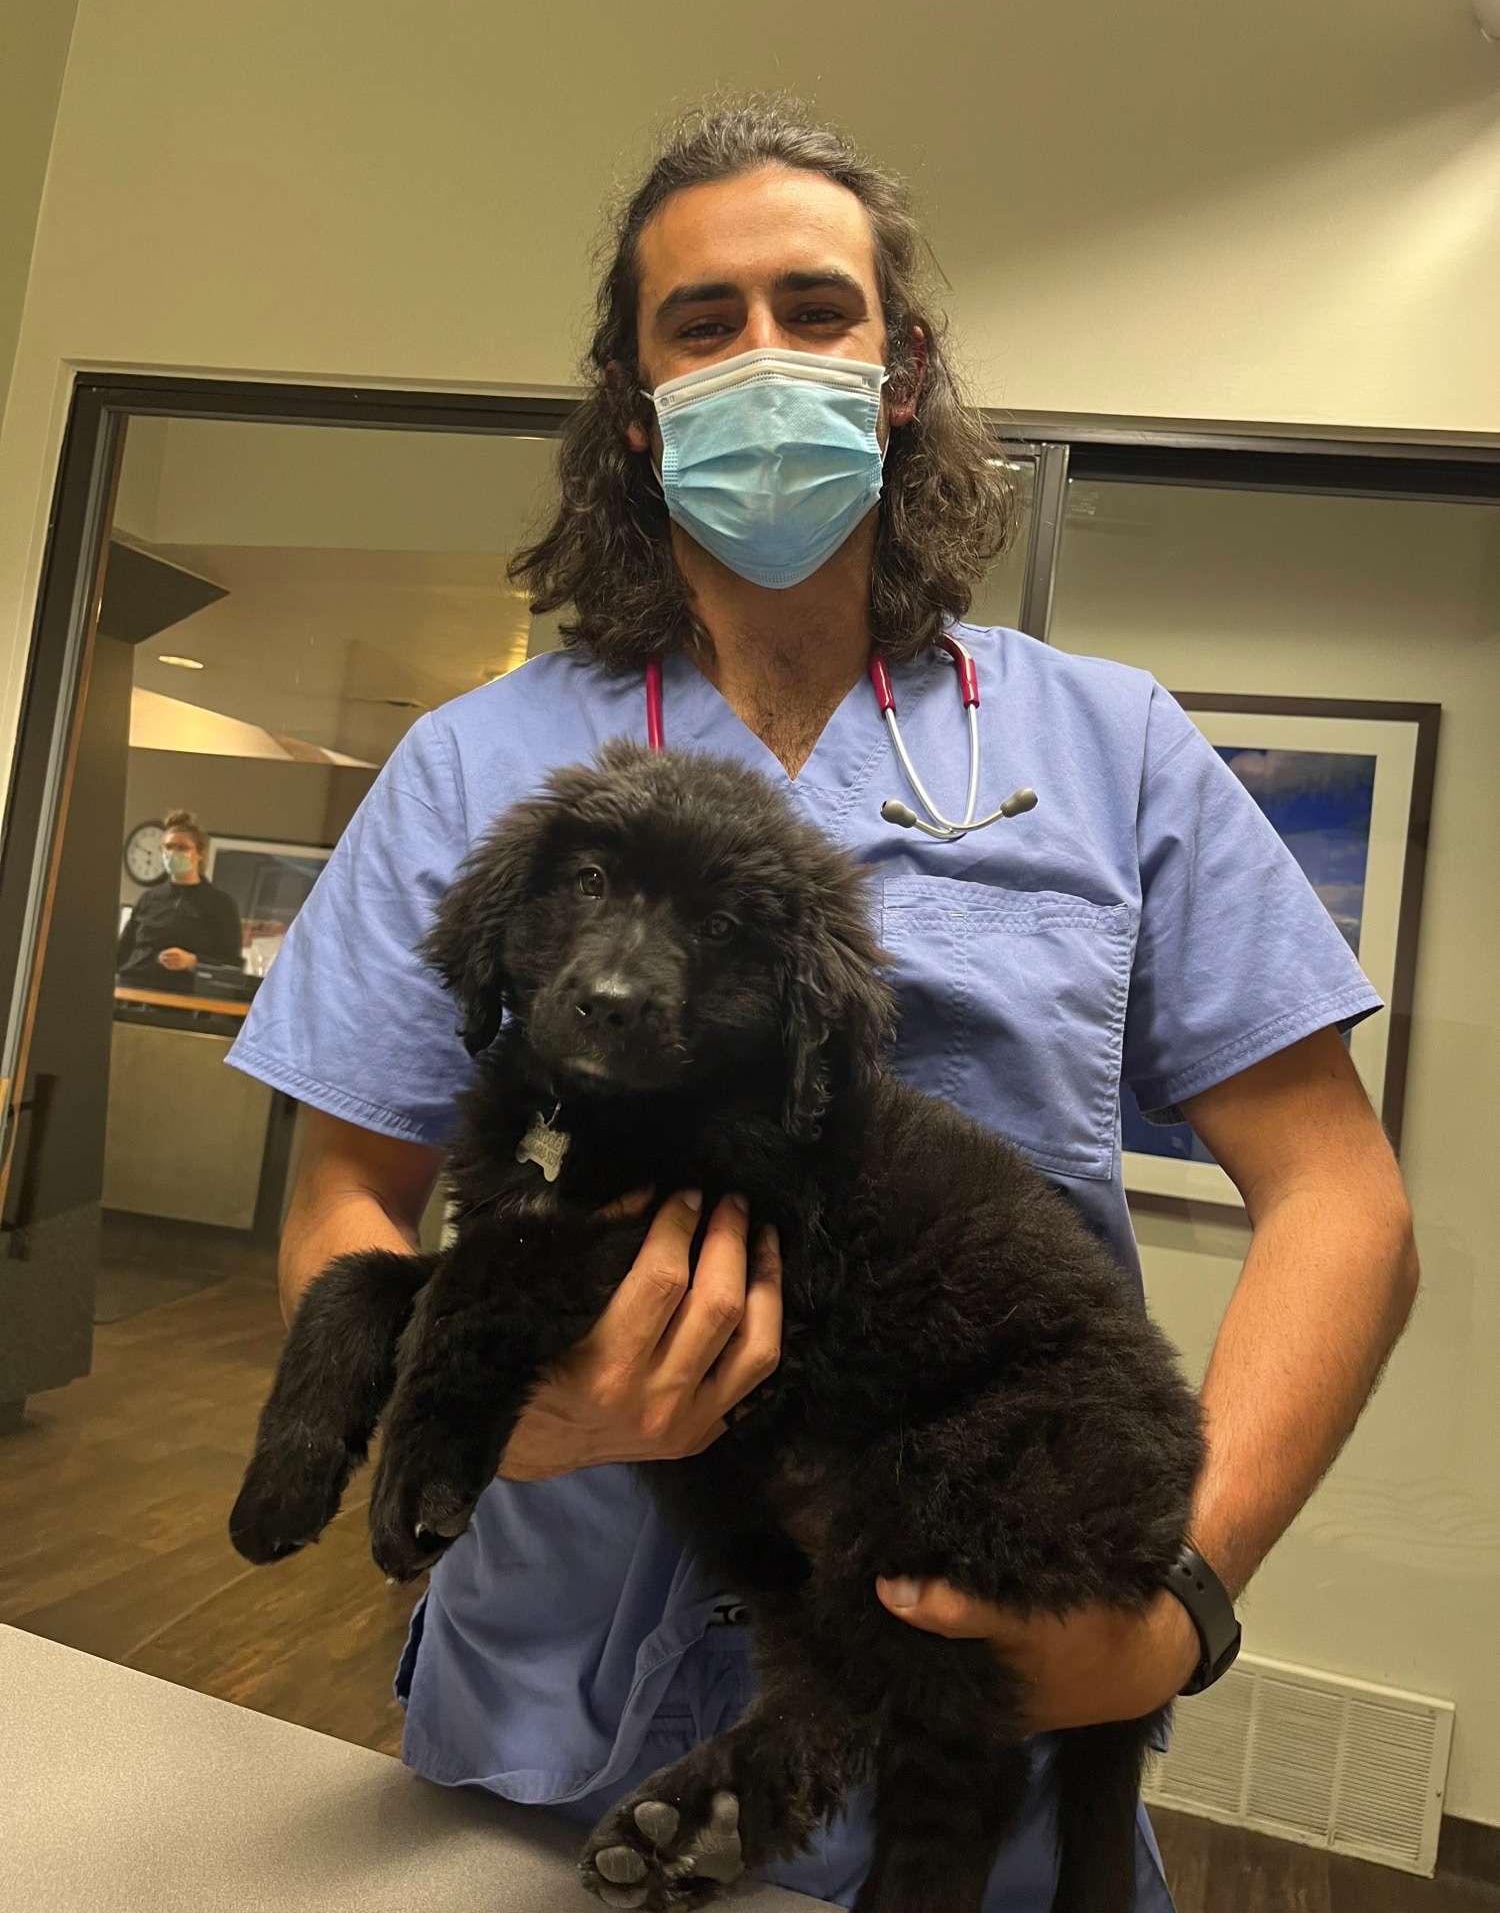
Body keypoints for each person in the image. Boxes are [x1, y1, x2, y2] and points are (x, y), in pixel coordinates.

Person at [225, 101, 1418, 1910]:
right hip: (541, 1742)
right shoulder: (480, 767)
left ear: (903, 370)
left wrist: (1181, 1598)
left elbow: (1345, 1202)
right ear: (636, 408)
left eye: (816, 309)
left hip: (970, 1716)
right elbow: (348, 1195)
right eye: (703, 326)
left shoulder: (1112, 749)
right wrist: (485, 1412)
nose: (762, 360)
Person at [117, 808, 244, 992]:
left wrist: (193, 962)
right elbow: (122, 952)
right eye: (168, 847)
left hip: (183, 1001)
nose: (174, 853)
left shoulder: (220, 904)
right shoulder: (149, 898)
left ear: (199, 853)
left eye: (182, 847)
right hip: (133, 990)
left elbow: (232, 965)